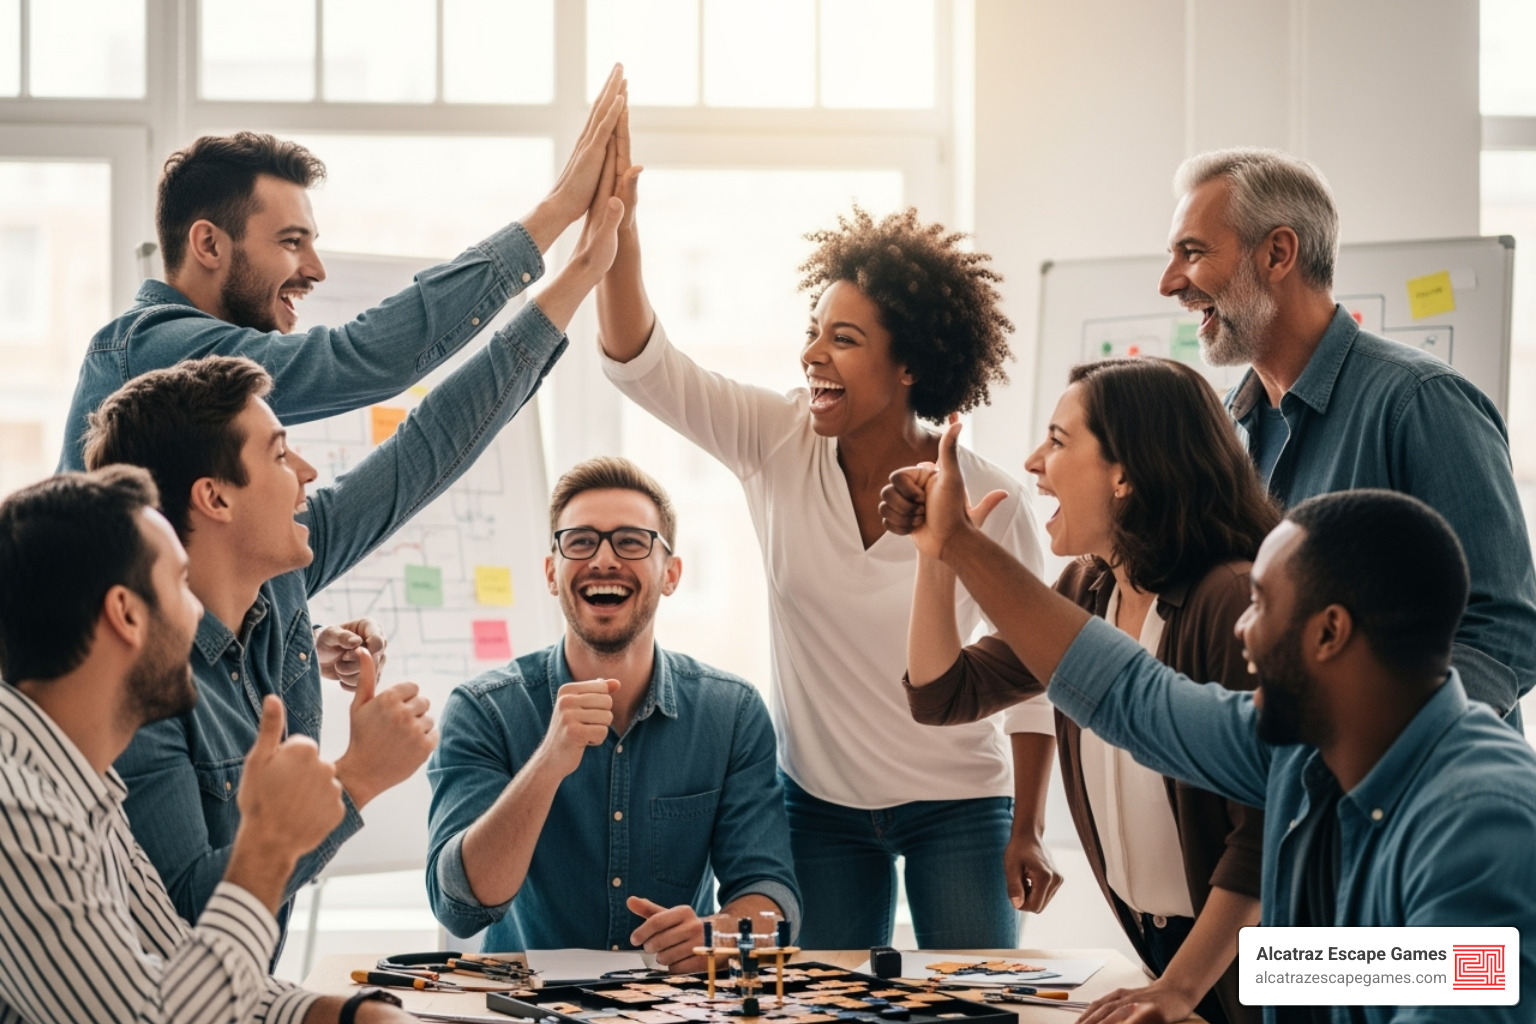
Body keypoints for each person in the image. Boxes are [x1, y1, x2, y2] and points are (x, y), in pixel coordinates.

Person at [77, 175, 624, 941]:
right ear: (215, 499)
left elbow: (430, 445)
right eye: (279, 454)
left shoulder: (281, 592)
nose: (305, 473)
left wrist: (576, 280)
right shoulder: (137, 684)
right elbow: (195, 920)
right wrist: (357, 778)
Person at [884, 429, 1536, 1024]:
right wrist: (958, 547)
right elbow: (1133, 695)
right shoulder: (1307, 750)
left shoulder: (1481, 817)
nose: (1242, 630)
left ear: (1330, 632)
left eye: (1260, 604)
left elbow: (1467, 977)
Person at [591, 115, 1052, 949]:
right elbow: (641, 364)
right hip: (821, 807)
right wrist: (618, 235)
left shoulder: (989, 497)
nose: (813, 355)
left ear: (909, 365)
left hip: (961, 806)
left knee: (972, 1006)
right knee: (821, 1007)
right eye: (813, 331)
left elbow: (1037, 675)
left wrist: (1029, 824)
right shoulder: (775, 441)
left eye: (844, 339)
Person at [904, 358, 1275, 1024]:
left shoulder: (1231, 600)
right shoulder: (1087, 588)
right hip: (1158, 949)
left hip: (1250, 956)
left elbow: (1263, 830)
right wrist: (937, 554)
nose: (1033, 462)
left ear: (1125, 473)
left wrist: (1183, 986)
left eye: (1057, 440)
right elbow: (942, 695)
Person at [59, 65, 628, 473]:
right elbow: (359, 359)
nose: (315, 270)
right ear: (208, 244)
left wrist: (577, 275)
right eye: (290, 241)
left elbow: (415, 460)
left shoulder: (214, 419)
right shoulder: (153, 351)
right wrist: (555, 213)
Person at [0, 467, 413, 1024]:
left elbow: (185, 972)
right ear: (125, 613)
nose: (199, 613)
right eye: (180, 585)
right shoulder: (16, 808)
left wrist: (351, 1015)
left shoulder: (85, 784)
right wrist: (267, 844)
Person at [1157, 146, 1536, 724]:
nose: (1169, 283)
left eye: (1193, 252)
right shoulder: (1227, 432)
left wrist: (1377, 750)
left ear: (1278, 253)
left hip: (1418, 802)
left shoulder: (1420, 402)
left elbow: (1504, 628)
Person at [426, 457, 799, 966]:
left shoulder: (731, 713)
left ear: (670, 574)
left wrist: (720, 937)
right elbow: (461, 907)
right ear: (551, 573)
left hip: (672, 1007)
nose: (603, 559)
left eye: (631, 541)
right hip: (527, 1009)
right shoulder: (483, 711)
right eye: (580, 541)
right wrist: (550, 759)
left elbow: (771, 894)